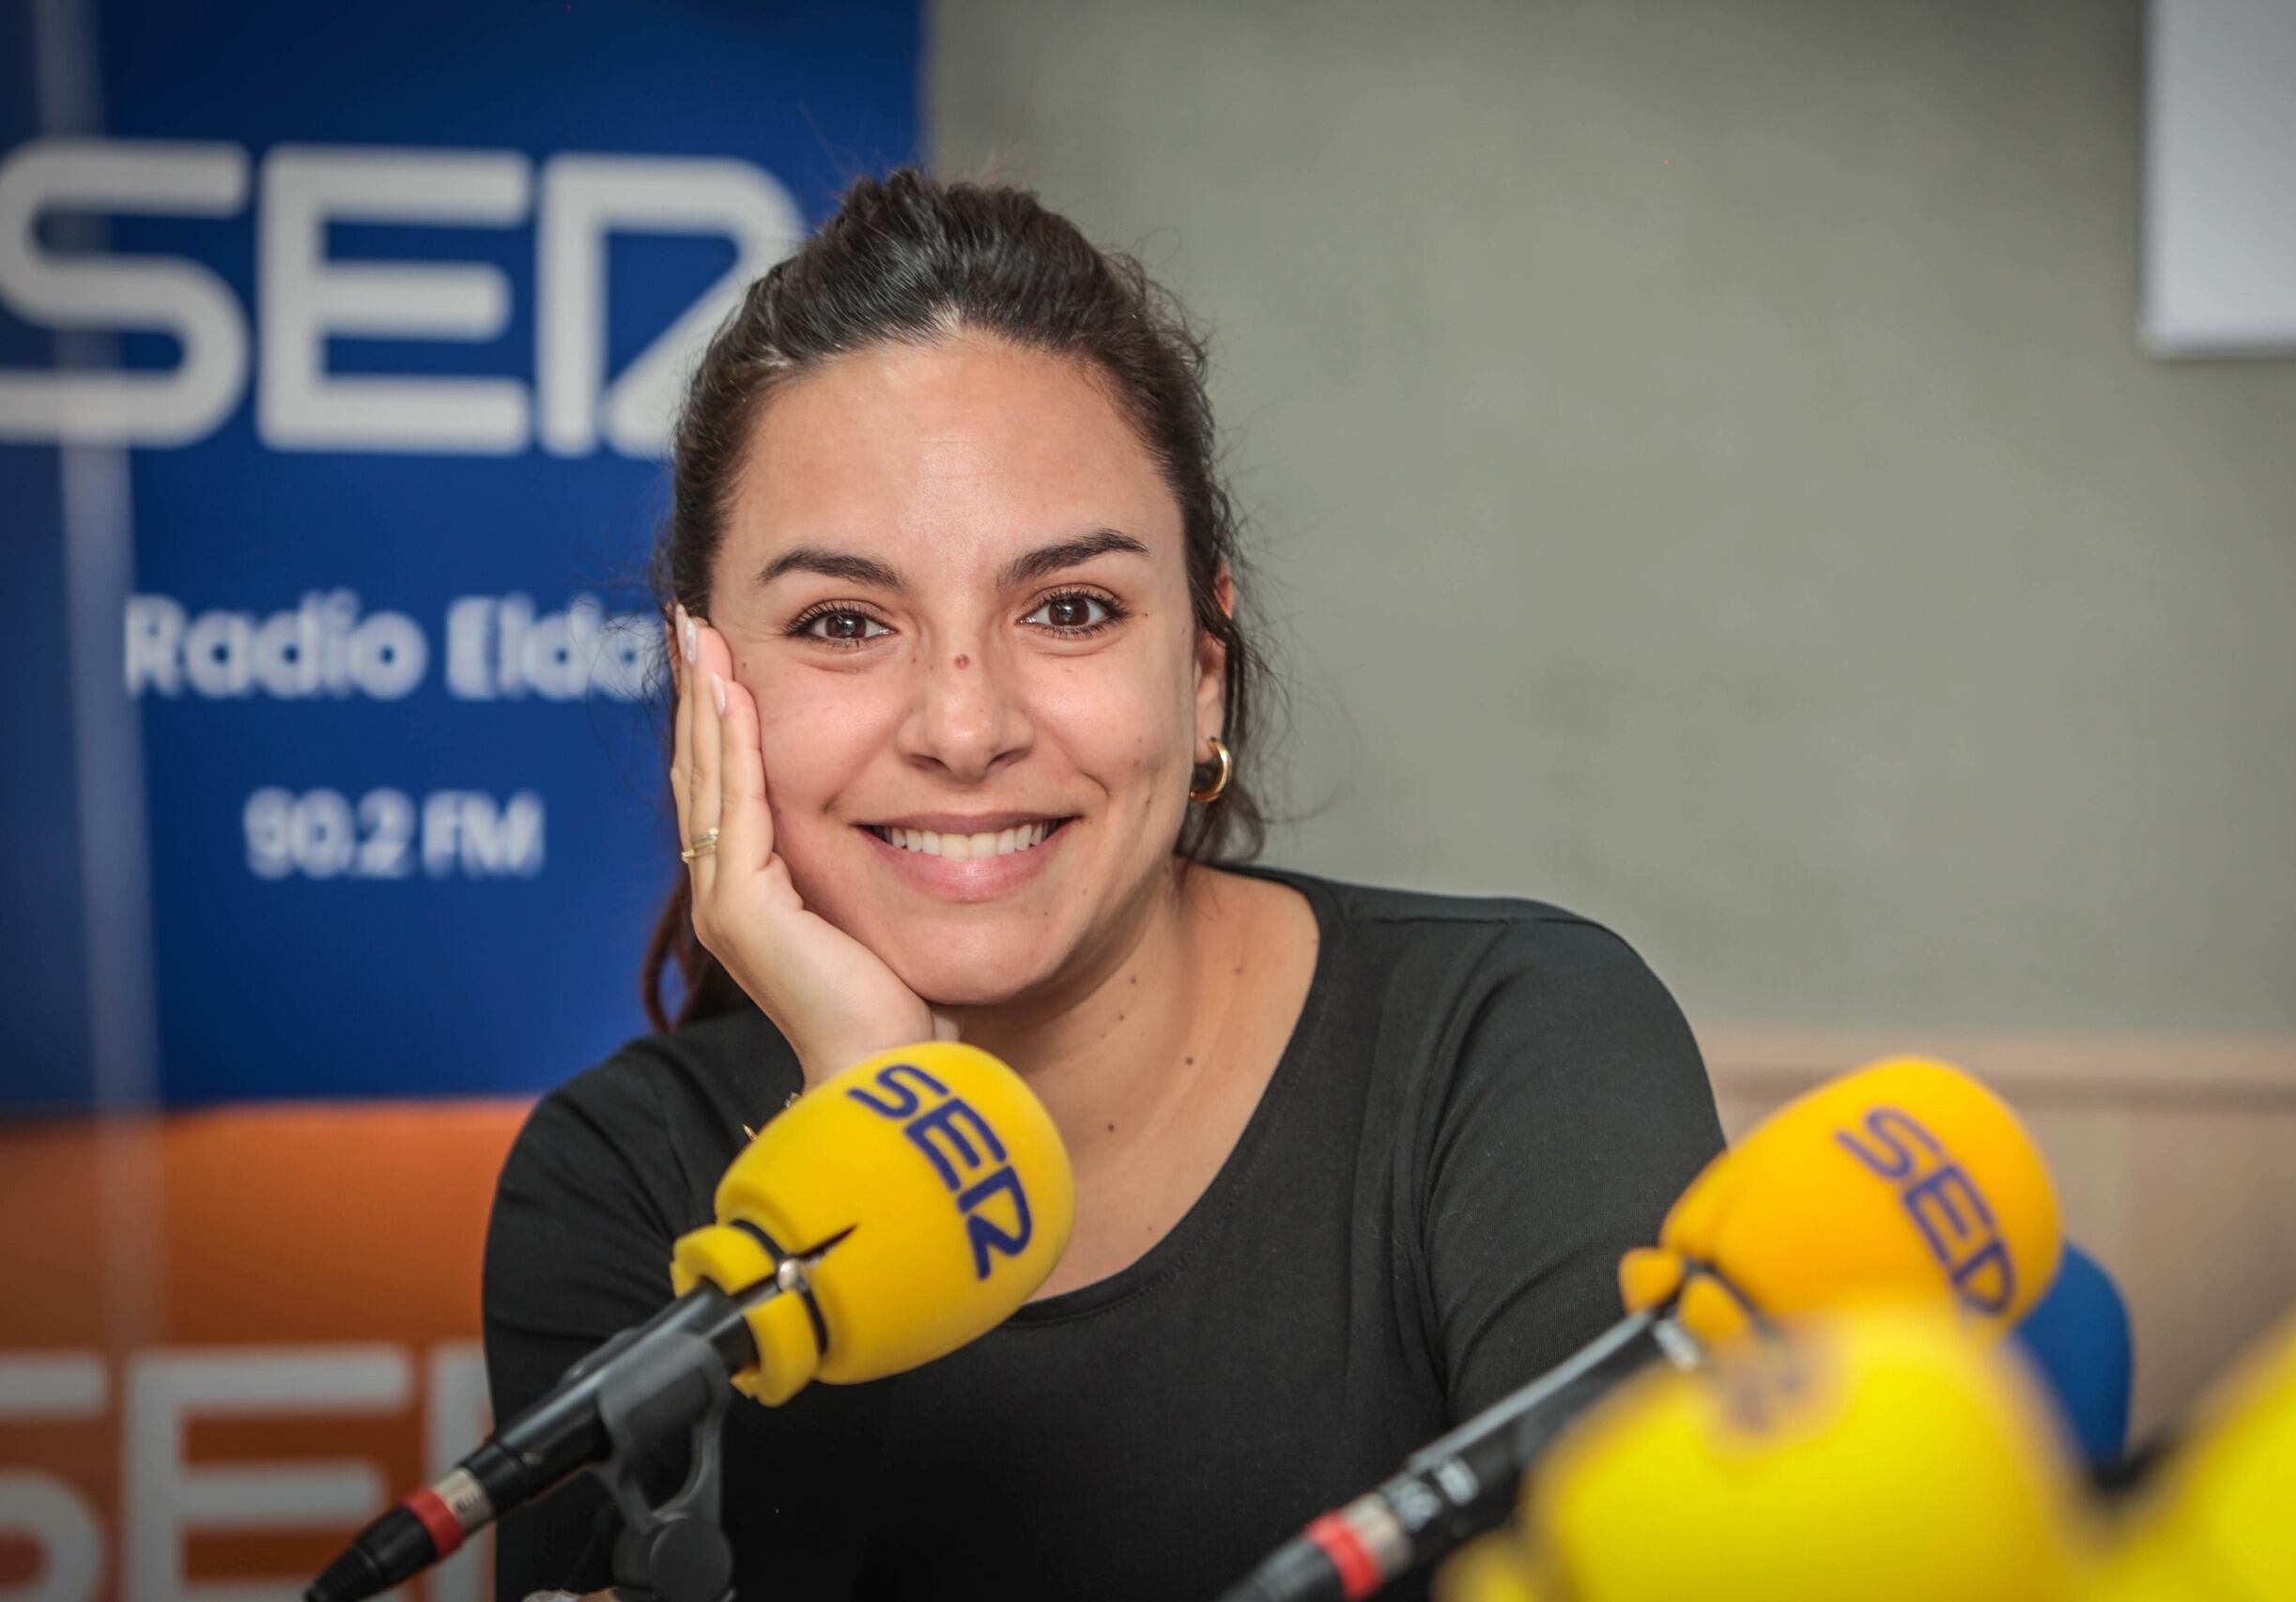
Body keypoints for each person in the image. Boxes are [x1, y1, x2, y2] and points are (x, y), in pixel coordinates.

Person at [483, 168, 1725, 1602]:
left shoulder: (1515, 1051)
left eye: (1069, 608)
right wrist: (885, 1118)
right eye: (843, 621)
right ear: (711, 690)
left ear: (1201, 675)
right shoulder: (621, 1188)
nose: (965, 725)